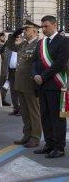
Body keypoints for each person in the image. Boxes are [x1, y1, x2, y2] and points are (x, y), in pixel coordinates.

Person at [32, 15, 69, 158]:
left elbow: (60, 63)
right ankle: (49, 144)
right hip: (41, 85)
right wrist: (35, 75)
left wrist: (42, 76)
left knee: (56, 117)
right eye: (42, 26)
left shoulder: (64, 41)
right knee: (45, 116)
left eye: (46, 26)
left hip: (55, 84)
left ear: (54, 25)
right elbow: (34, 61)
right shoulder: (41, 43)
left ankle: (59, 148)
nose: (43, 29)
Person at [6, 20, 42, 148]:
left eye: (27, 29)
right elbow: (9, 46)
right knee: (25, 112)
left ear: (34, 31)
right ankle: (27, 134)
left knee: (34, 112)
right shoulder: (23, 44)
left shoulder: (39, 44)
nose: (24, 32)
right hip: (20, 83)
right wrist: (14, 34)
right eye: (24, 29)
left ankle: (35, 137)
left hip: (31, 84)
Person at [3, 44, 20, 116]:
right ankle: (16, 108)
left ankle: (21, 109)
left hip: (19, 72)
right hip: (11, 72)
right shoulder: (9, 50)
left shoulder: (22, 49)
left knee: (20, 91)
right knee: (13, 92)